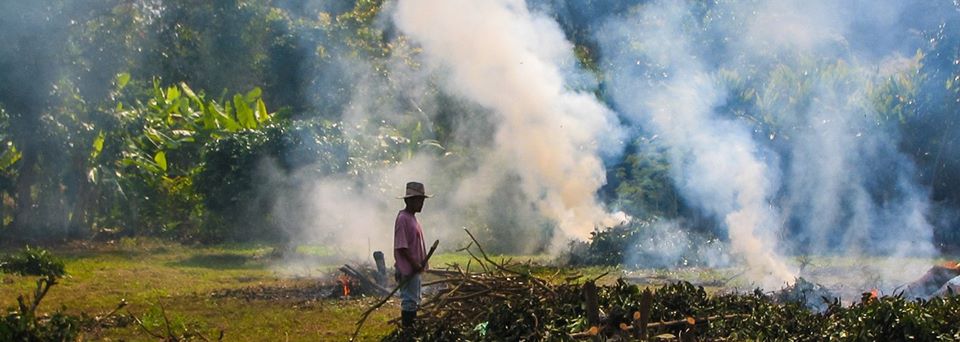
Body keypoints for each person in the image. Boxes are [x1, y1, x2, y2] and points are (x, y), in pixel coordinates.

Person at [394, 181, 430, 329]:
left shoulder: (412, 218)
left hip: (414, 268)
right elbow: (402, 246)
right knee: (409, 301)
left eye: (422, 200)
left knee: (414, 300)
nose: (421, 203)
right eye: (418, 200)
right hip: (408, 269)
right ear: (408, 200)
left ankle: (411, 331)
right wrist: (415, 264)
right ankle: (408, 332)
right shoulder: (403, 218)